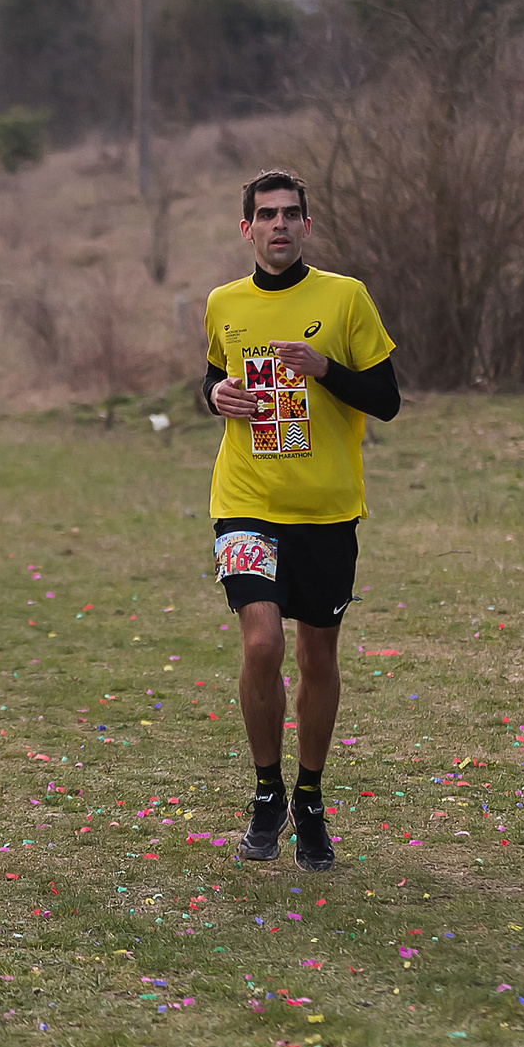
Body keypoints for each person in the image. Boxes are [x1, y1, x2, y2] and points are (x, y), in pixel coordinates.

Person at [202, 169, 400, 870]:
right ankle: (266, 791)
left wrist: (324, 368)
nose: (279, 225)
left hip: (325, 509)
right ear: (247, 227)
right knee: (262, 645)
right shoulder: (224, 302)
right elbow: (214, 374)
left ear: (306, 225)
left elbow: (386, 398)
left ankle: (310, 797)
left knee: (318, 656)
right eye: (266, 214)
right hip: (246, 501)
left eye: (291, 214)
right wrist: (216, 394)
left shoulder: (345, 298)